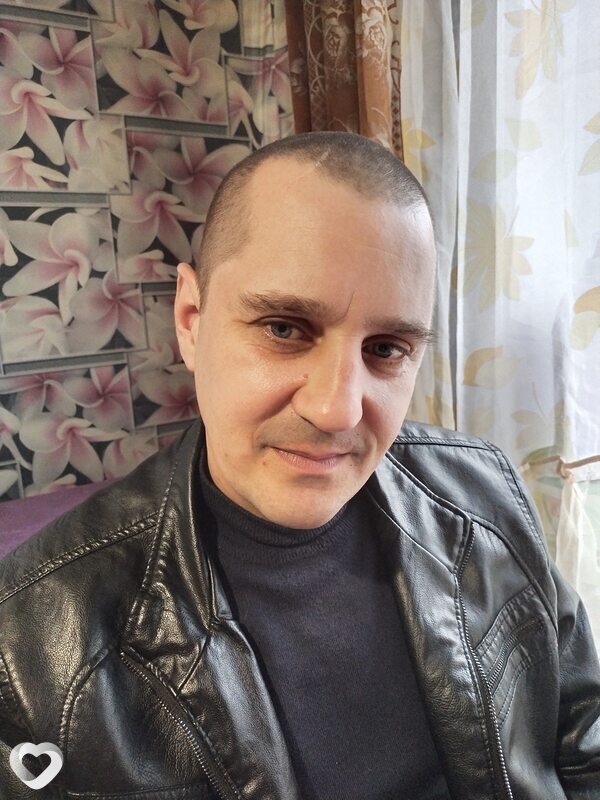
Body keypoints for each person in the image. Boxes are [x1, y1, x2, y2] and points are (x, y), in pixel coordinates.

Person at [0, 131, 599, 800]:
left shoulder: (484, 492)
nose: (337, 410)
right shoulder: (29, 641)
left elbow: (583, 738)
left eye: (386, 349)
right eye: (284, 328)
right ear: (192, 319)